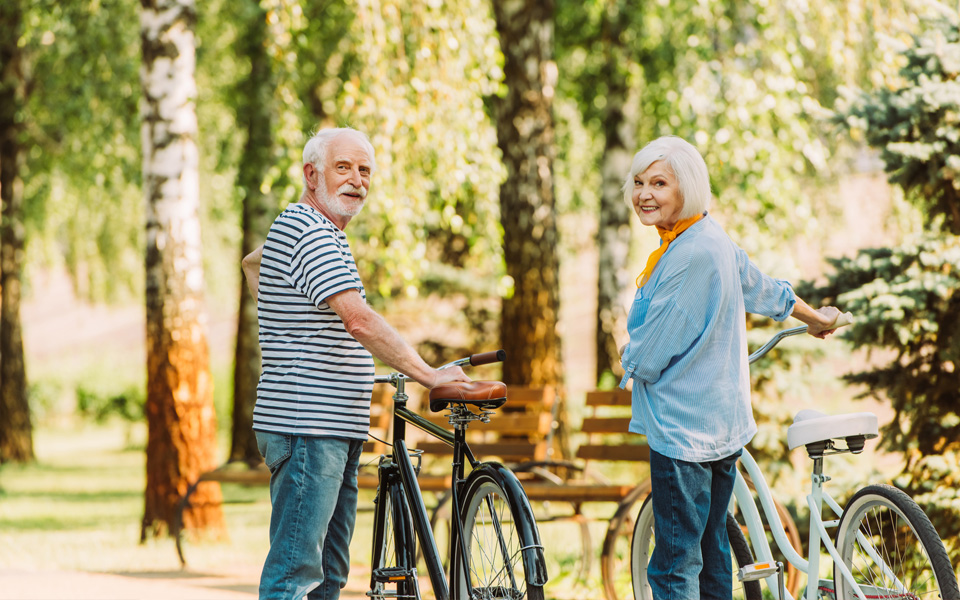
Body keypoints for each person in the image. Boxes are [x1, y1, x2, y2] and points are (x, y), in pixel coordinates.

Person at [241, 127, 470, 600]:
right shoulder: (311, 231)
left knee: (327, 575)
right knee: (296, 574)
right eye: (343, 168)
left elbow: (252, 262)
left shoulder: (310, 231)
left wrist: (282, 321)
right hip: (308, 426)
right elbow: (360, 322)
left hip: (328, 426)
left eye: (365, 170)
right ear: (311, 174)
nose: (356, 180)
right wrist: (429, 375)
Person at [617, 136, 843, 600]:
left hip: (684, 434)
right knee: (712, 552)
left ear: (688, 188)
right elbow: (763, 287)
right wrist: (815, 319)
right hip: (722, 427)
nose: (644, 194)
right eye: (639, 182)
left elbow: (652, 352)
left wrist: (630, 364)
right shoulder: (708, 236)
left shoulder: (688, 255)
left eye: (659, 182)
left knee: (675, 568)